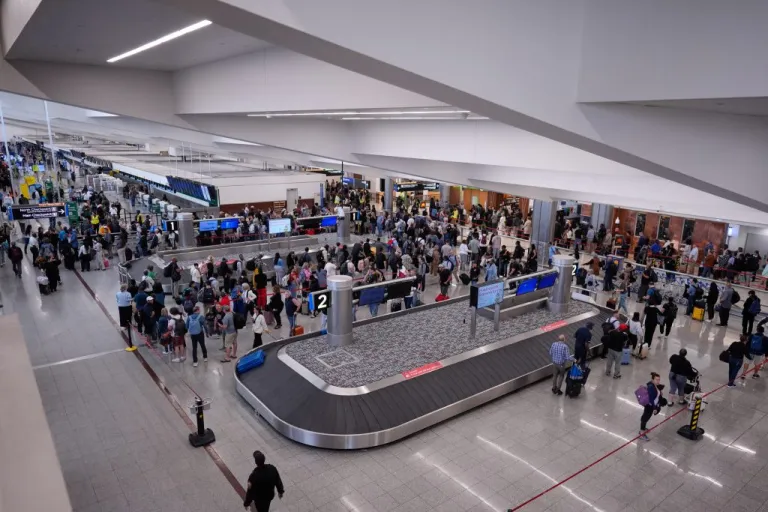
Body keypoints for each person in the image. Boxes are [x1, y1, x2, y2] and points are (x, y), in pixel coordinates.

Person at [639, 372, 663, 441]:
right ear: (652, 380)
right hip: (650, 406)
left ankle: (643, 428)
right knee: (645, 418)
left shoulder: (654, 385)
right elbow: (651, 399)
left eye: (659, 379)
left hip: (651, 406)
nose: (658, 381)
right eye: (656, 379)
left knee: (646, 417)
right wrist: (654, 408)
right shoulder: (651, 388)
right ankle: (641, 432)